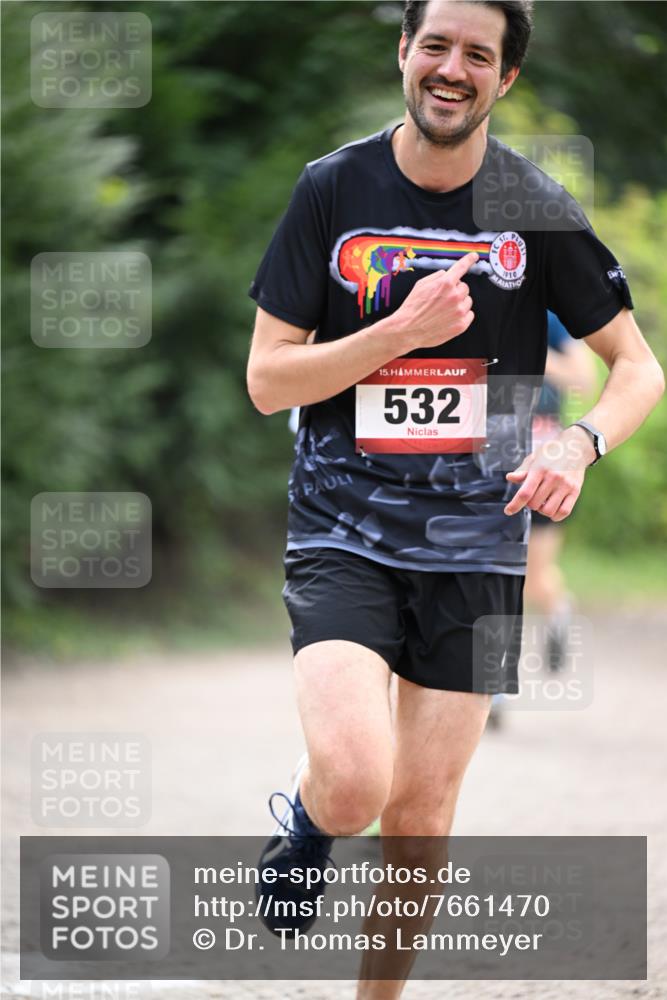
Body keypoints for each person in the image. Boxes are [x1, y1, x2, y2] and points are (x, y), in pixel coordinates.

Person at [246, 1, 664, 993]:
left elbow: (637, 369)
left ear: (503, 79)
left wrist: (579, 439)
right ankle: (309, 824)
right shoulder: (332, 189)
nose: (450, 68)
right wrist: (395, 333)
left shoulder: (534, 206)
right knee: (356, 783)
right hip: (343, 528)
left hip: (478, 545)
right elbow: (268, 379)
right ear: (402, 53)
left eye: (477, 54)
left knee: (422, 818)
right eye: (434, 45)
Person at [525, 311, 596, 669]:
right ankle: (493, 687)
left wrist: (528, 352)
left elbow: (583, 378)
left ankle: (557, 612)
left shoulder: (550, 319)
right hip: (478, 465)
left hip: (544, 467)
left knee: (534, 578)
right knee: (488, 578)